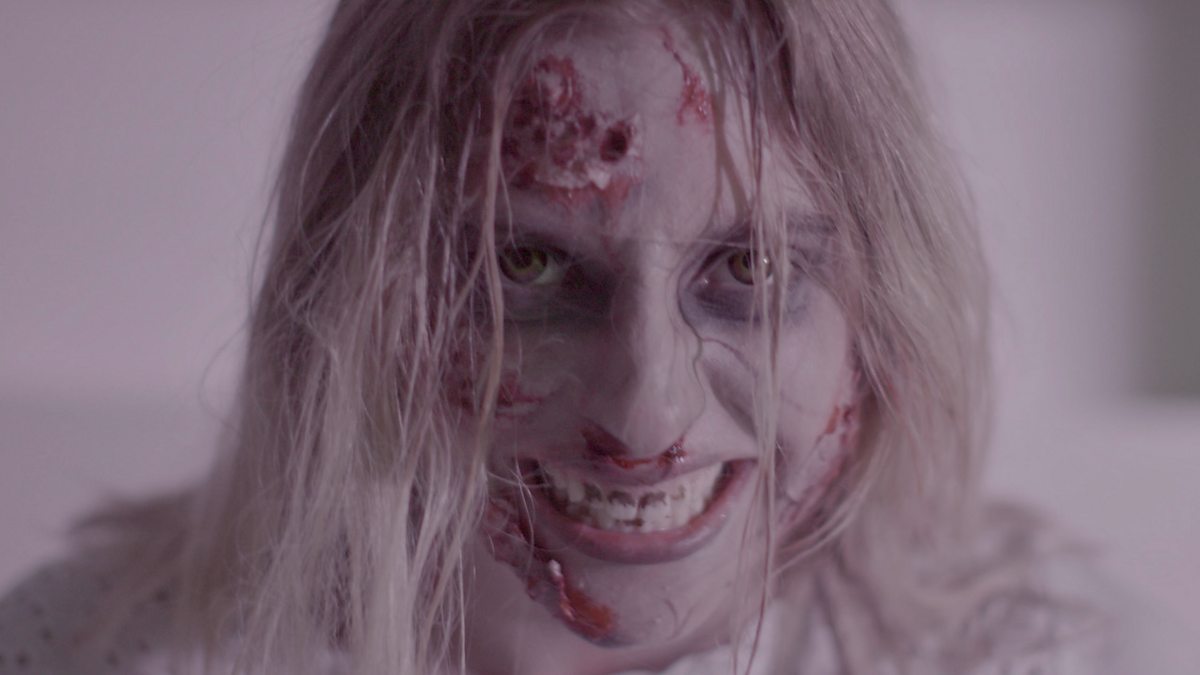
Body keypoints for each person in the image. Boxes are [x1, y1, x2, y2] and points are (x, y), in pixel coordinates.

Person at [0, 1, 1109, 673]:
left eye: (753, 270)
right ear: (348, 292)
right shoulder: (88, 651)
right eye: (523, 265)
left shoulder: (1052, 656)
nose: (646, 415)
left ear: (885, 300)